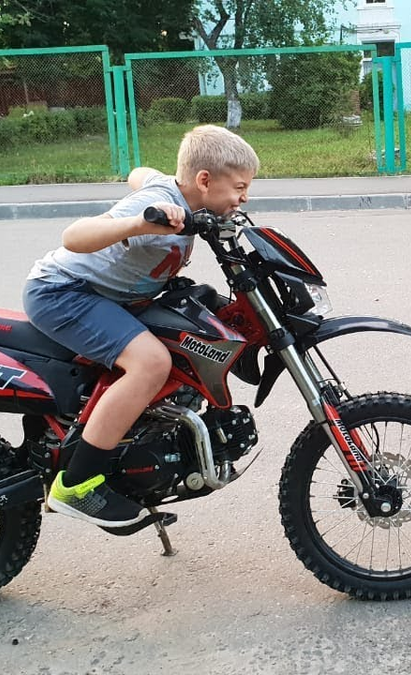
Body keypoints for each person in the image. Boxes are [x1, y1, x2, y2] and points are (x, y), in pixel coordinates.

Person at [23, 125, 259, 528]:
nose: (243, 197)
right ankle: (76, 485)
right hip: (63, 293)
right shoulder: (156, 204)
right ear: (204, 180)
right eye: (239, 187)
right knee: (151, 363)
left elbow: (140, 173)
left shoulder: (174, 190)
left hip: (115, 297)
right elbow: (73, 236)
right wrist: (139, 222)